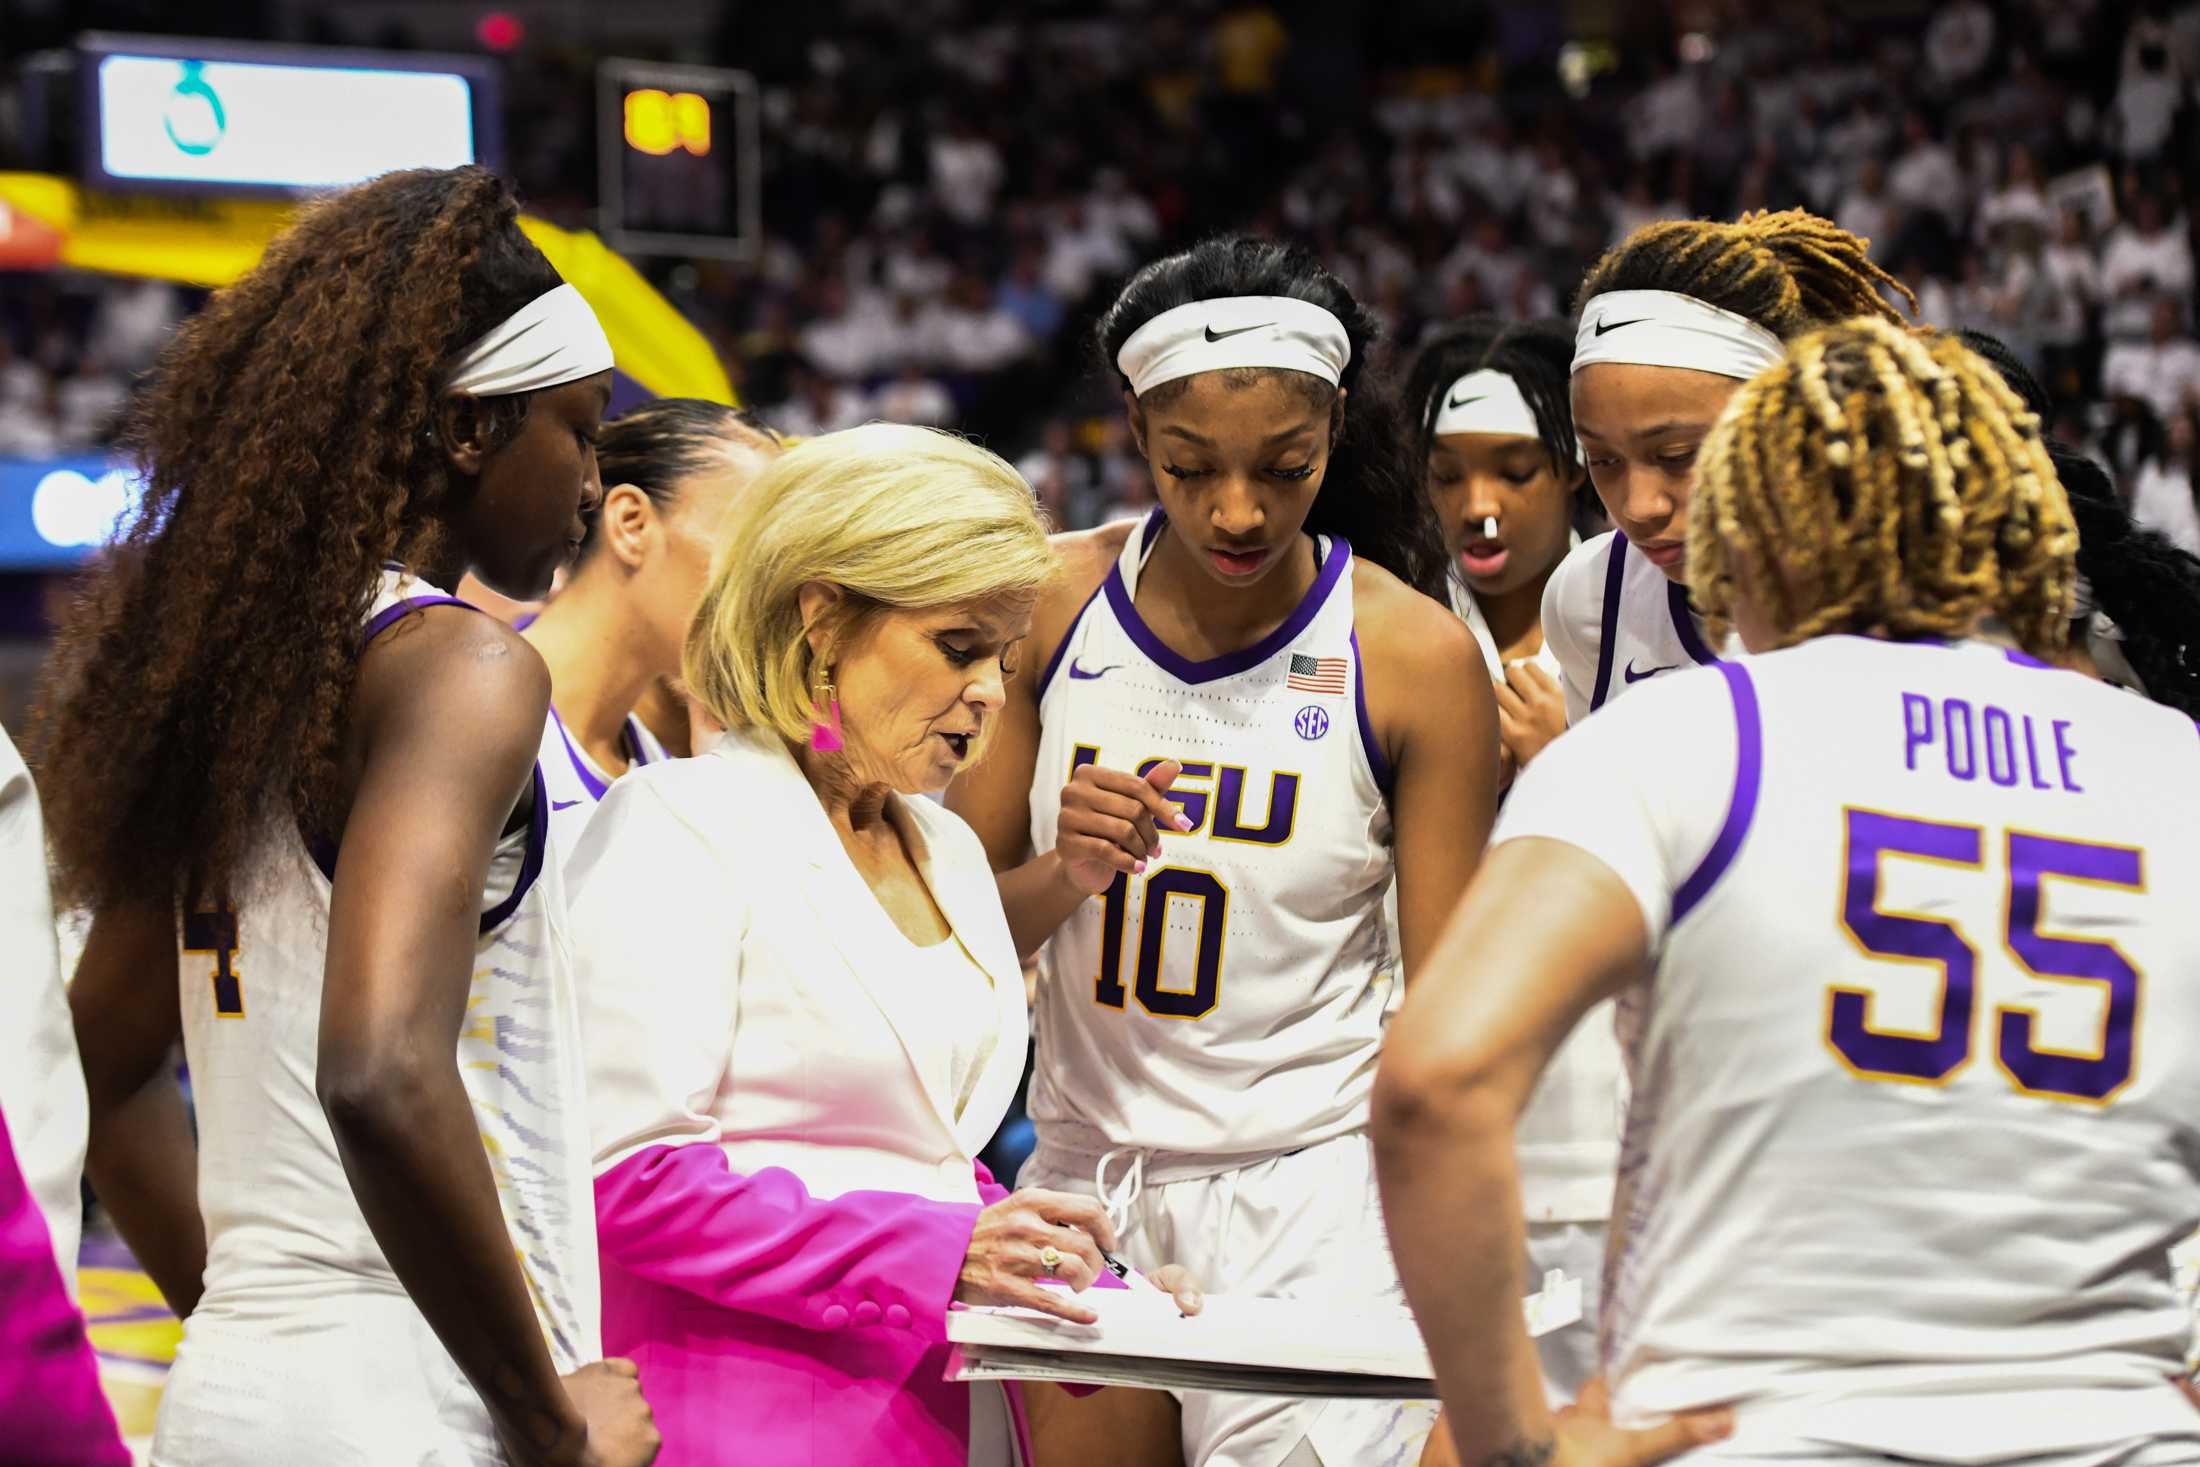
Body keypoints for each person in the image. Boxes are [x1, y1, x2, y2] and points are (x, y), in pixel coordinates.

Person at [1376, 319, 2200, 1465]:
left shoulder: (1681, 737)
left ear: (1745, 528)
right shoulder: (2171, 764)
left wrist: (1523, 1447)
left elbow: (1435, 1082)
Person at [38, 167, 656, 1467]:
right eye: (579, 428)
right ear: (471, 429)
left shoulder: (242, 675)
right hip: (418, 1387)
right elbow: (378, 1067)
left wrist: (261, 1328)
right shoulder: (461, 666)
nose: (593, 481)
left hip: (240, 1385)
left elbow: (105, 1061)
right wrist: (547, 1419)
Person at [948, 236, 1497, 1467]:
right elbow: (953, 938)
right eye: (1189, 470)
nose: (1236, 511)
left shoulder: (1411, 657)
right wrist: (1059, 874)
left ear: (1337, 431)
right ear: (1133, 429)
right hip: (1082, 1177)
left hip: (1315, 1185)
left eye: (1283, 470)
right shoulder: (1047, 602)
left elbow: (1457, 1005)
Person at [566, 423, 1201, 1467]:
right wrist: (946, 1253)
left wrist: (1075, 1278)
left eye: (1003, 654)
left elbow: (927, 1155)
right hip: (734, 1422)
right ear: (822, 619)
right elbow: (621, 1172)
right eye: (958, 648)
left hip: (937, 1414)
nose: (992, 690)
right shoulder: (677, 825)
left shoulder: (947, 848)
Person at [1400, 315, 1617, 1403]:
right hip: (1419, 1114)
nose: (1476, 505)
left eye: (1514, 471)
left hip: (1600, 1123)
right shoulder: (1391, 634)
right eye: (1448, 476)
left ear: (1572, 472)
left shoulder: (1644, 622)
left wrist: (1568, 769)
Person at [1542, 209, 1913, 724]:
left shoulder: (1898, 603)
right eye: (1602, 459)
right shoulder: (1586, 598)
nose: (1638, 507)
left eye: (1678, 456)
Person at [522, 399, 781, 860]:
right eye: (748, 549)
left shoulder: (656, 769)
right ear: (631, 524)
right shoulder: (482, 715)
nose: (768, 597)